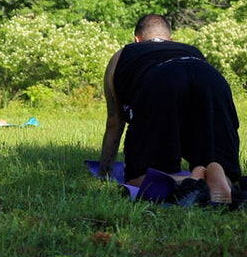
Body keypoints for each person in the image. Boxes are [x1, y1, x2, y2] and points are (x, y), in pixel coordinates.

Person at [100, 14, 241, 203]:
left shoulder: (125, 53)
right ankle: (221, 178)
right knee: (219, 160)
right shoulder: (191, 50)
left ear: (137, 40)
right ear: (171, 39)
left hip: (160, 79)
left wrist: (105, 174)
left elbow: (114, 122)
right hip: (211, 78)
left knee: (140, 178)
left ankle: (189, 180)